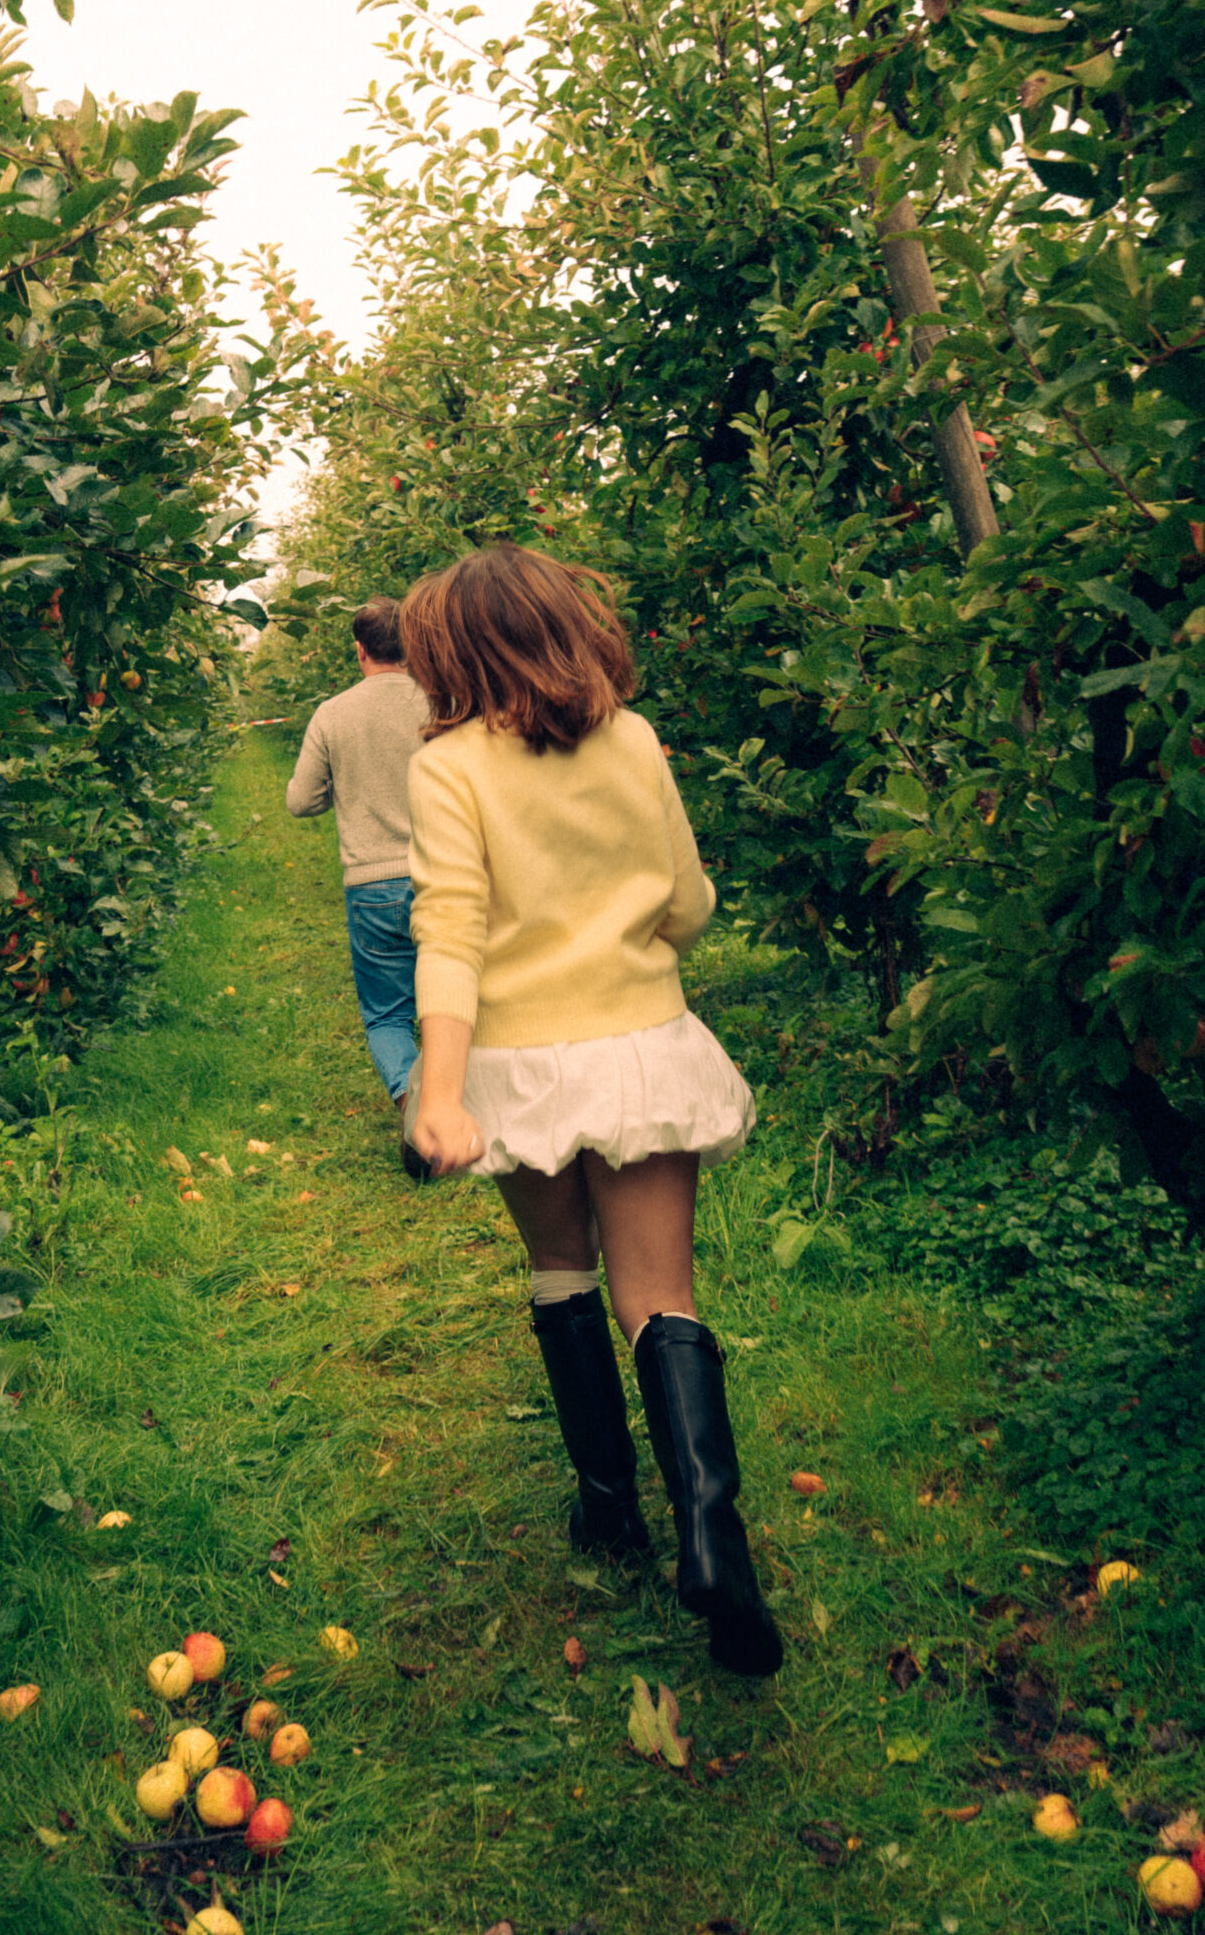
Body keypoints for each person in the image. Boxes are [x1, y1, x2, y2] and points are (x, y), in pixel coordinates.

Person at [397, 542, 782, 1677]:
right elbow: (688, 902)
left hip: (522, 1059)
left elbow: (452, 929)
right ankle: (714, 1539)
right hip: (643, 1044)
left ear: (453, 656)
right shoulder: (634, 738)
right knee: (659, 1293)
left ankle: (609, 1509)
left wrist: (442, 1086)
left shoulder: (450, 766)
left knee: (562, 1270)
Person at [286, 596, 431, 1173]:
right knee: (464, 996)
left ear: (359, 649)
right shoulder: (441, 701)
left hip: (373, 884)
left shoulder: (333, 714)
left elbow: (302, 801)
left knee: (390, 1013)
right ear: (413, 645)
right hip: (447, 876)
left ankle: (412, 1100)